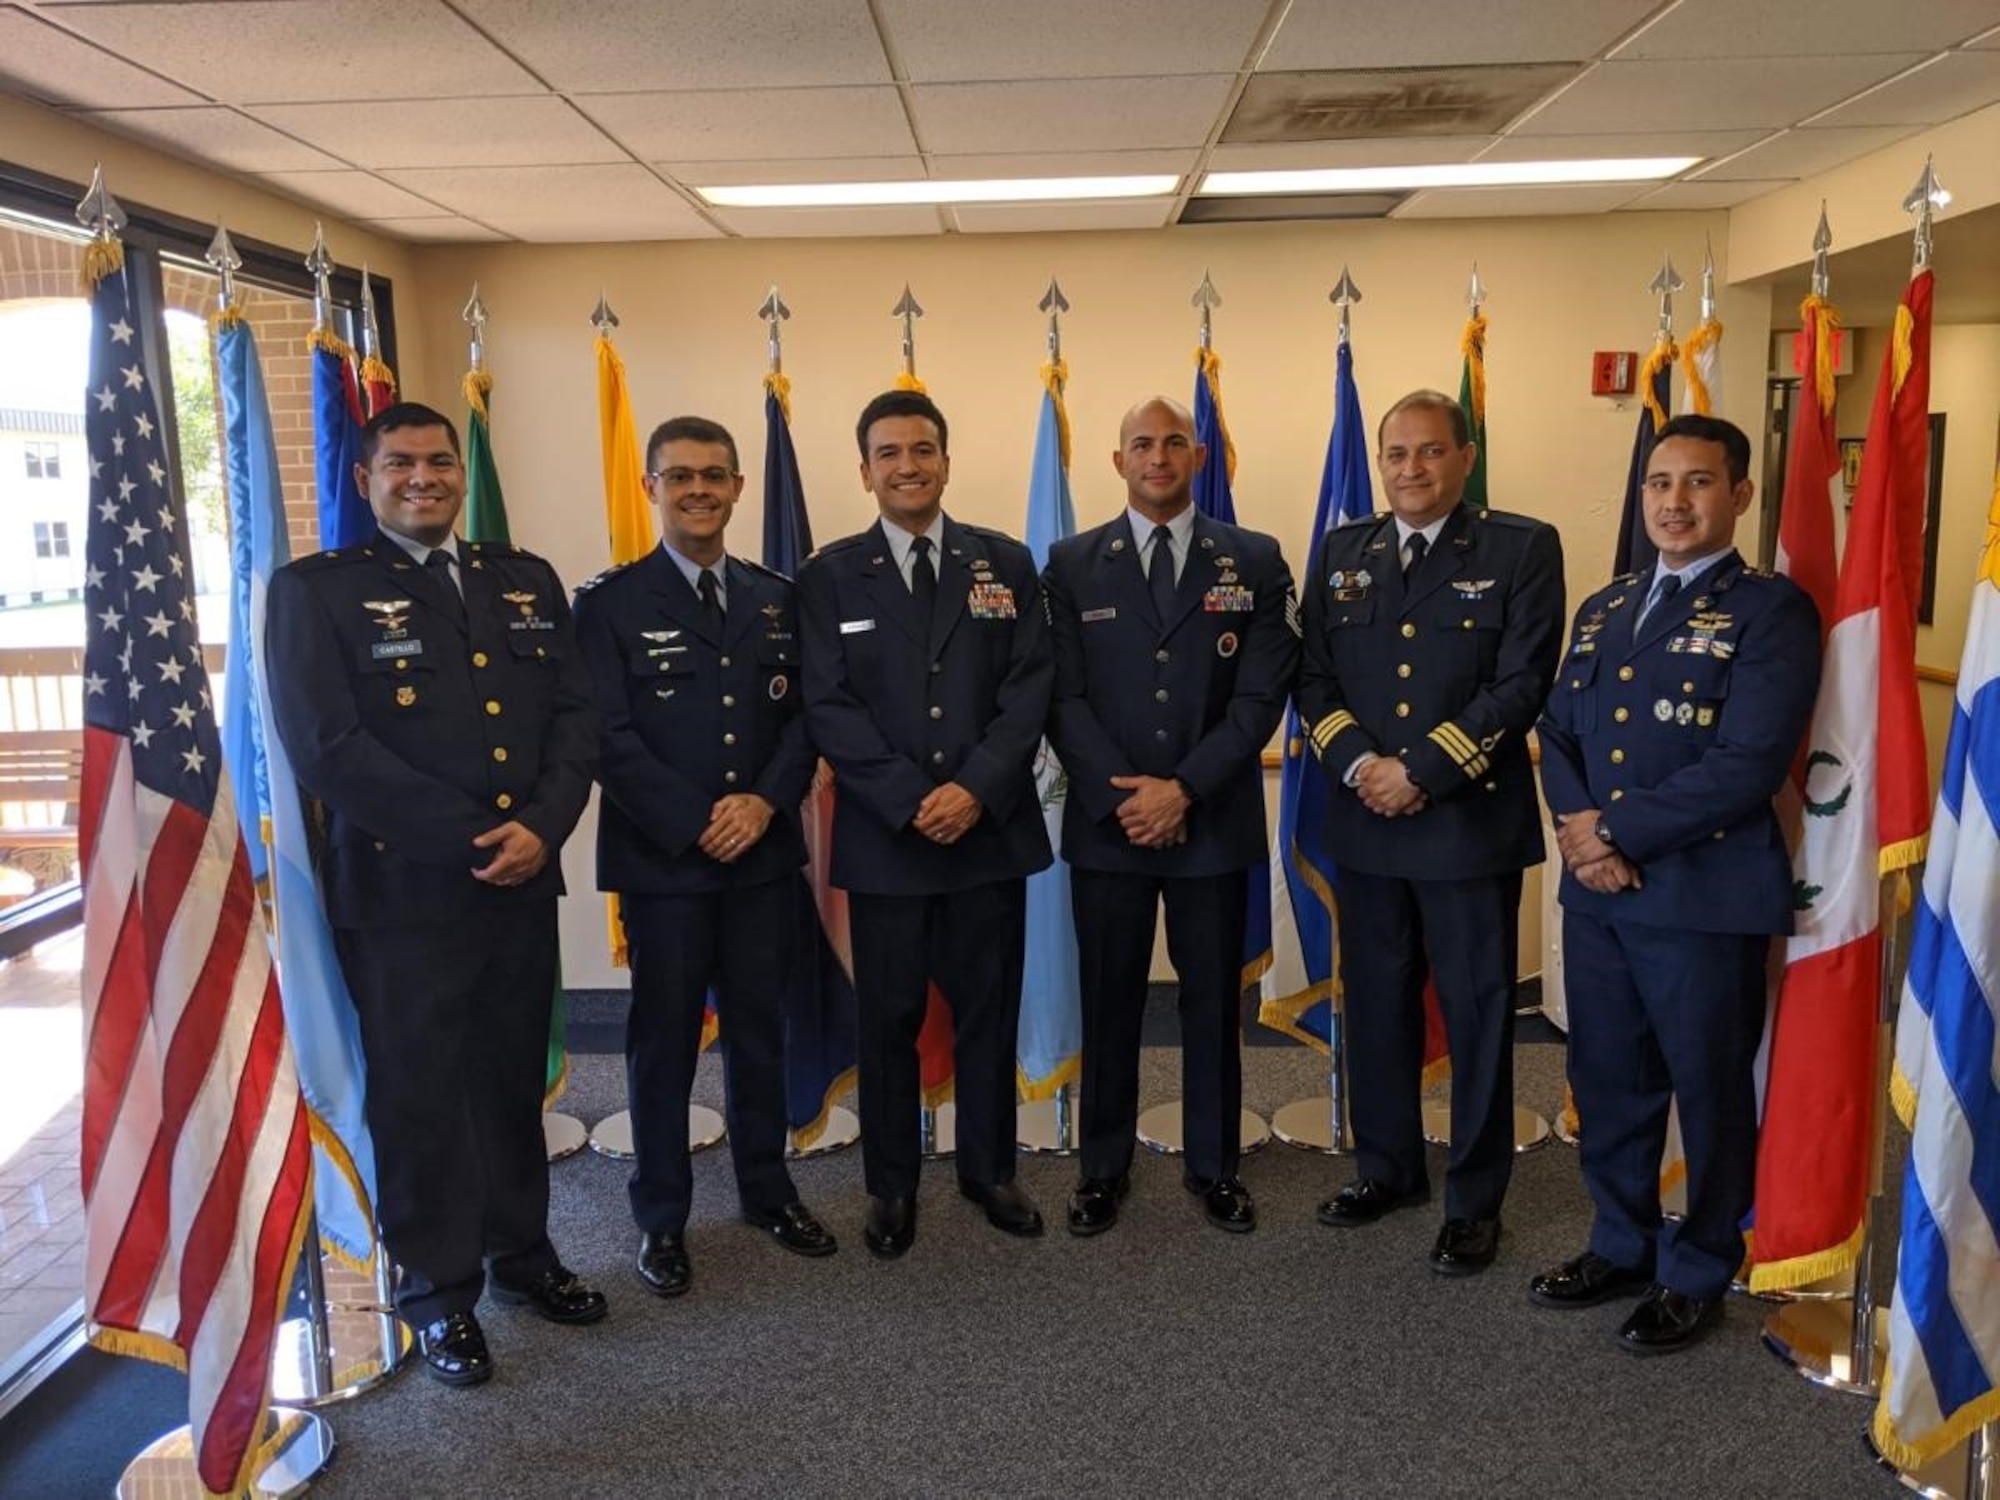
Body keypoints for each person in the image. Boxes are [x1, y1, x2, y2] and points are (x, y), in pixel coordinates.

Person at [265, 401, 605, 1387]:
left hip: (519, 884)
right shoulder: (315, 593)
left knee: (507, 1086)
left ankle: (521, 1257)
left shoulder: (523, 579)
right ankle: (438, 1295)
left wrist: (541, 825)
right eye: (401, 464)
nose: (425, 478)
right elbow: (329, 748)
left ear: (461, 474)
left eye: (439, 462)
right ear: (365, 480)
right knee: (421, 1101)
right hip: (404, 896)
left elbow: (574, 718)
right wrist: (472, 838)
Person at [1532, 413, 1819, 1354]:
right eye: (1660, 483)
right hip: (1602, 896)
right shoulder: (1607, 605)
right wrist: (1585, 843)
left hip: (1702, 900)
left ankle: (1700, 1266)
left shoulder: (1770, 610)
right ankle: (1622, 1240)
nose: (1674, 501)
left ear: (1738, 495)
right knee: (1607, 1079)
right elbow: (1561, 732)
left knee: (1707, 1086)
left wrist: (1610, 830)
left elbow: (1748, 761)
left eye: (1698, 483)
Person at [1299, 389, 1564, 1275]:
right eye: (1395, 455)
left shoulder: (1522, 547)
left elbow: (1523, 680)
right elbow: (1315, 678)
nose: (1411, 469)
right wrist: (1361, 767)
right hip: (1367, 823)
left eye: (1429, 452)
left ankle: (1475, 1198)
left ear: (1464, 454)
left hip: (1465, 826)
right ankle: (1389, 1169)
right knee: (1375, 1006)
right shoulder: (1344, 553)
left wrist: (1422, 770)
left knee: (1480, 1012)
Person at [572, 415, 836, 1301]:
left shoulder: (774, 597)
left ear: (735, 489)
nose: (698, 490)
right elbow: (607, 735)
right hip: (666, 866)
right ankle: (662, 1218)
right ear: (651, 488)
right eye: (679, 476)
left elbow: (806, 719)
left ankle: (768, 1190)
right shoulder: (608, 604)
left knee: (763, 1030)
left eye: (714, 476)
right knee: (664, 1043)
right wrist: (698, 821)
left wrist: (762, 802)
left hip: (759, 856)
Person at [796, 389, 1053, 1259]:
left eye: (923, 449)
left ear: (946, 459)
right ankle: (892, 1184)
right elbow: (827, 704)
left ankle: (989, 1171)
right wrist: (910, 798)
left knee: (989, 1009)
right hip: (888, 840)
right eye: (890, 453)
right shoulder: (829, 575)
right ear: (864, 470)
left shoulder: (1004, 564)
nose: (908, 466)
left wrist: (975, 788)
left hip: (988, 833)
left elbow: (1029, 690)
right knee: (890, 1019)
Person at [1042, 396, 1299, 1236]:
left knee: (1209, 1003)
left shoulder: (1254, 559)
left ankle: (1213, 1165)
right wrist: (1132, 801)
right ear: (1117, 461)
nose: (1158, 456)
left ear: (1199, 456)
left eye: (1174, 443)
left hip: (1212, 823)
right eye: (1141, 444)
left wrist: (1182, 790)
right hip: (1110, 828)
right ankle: (1101, 1168)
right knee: (1110, 998)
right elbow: (1062, 697)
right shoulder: (1071, 562)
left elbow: (1261, 696)